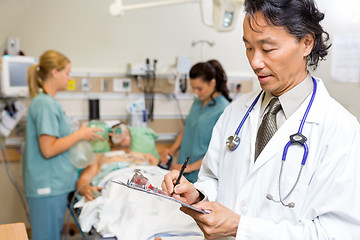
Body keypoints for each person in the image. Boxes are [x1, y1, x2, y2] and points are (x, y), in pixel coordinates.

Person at [162, 0, 360, 239]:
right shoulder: (235, 112)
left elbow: (338, 233)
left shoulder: (340, 130)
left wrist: (241, 228)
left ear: (306, 43)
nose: (255, 62)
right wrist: (198, 195)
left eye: (267, 49)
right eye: (248, 48)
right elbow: (213, 178)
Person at [22, 50, 103, 240]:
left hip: (53, 186)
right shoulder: (45, 105)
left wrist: (79, 134)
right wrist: (79, 134)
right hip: (47, 187)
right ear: (54, 73)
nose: (70, 78)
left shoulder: (47, 103)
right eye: (67, 73)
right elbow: (48, 149)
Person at [160, 60, 232, 183]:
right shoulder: (197, 102)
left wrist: (189, 168)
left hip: (201, 176)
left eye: (200, 88)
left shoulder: (224, 109)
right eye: (194, 88)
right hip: (182, 172)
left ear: (212, 83)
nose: (196, 92)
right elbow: (187, 129)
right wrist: (171, 150)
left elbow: (220, 152)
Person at [77, 123, 161, 201]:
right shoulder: (100, 157)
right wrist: (87, 190)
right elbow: (83, 180)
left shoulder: (144, 155)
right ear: (110, 138)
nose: (124, 134)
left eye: (127, 132)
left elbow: (159, 171)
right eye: (118, 132)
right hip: (119, 186)